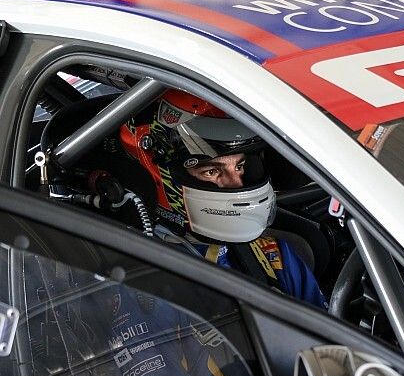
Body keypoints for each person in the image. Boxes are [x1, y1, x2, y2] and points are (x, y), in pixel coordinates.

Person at [119, 89, 328, 310]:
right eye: (211, 171)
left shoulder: (272, 257)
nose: (236, 184)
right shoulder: (133, 279)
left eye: (239, 166)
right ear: (159, 172)